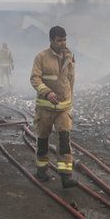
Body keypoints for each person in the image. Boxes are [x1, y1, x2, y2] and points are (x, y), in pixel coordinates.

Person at [30, 26, 77, 188]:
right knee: (43, 139)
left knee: (64, 140)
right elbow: (35, 79)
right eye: (59, 40)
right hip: (45, 108)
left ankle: (66, 176)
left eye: (64, 40)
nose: (63, 43)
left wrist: (69, 99)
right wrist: (47, 93)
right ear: (51, 40)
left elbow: (70, 81)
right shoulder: (41, 57)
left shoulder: (70, 57)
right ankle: (41, 171)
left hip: (63, 109)